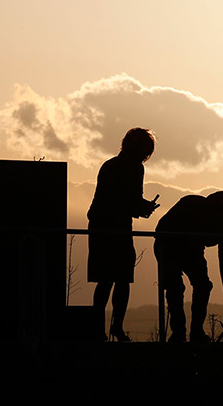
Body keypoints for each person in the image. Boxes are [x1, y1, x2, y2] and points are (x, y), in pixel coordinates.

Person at [87, 127, 159, 341]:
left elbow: (125, 200)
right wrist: (143, 208)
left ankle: (103, 329)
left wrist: (140, 207)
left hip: (107, 225)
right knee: (116, 279)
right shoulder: (130, 168)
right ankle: (111, 328)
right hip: (112, 226)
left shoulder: (114, 165)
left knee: (110, 280)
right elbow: (127, 201)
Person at [154, 191, 223, 342]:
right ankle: (178, 333)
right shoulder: (191, 204)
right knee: (175, 287)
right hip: (167, 245)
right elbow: (161, 229)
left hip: (193, 251)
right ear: (215, 209)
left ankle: (196, 332)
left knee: (203, 285)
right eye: (221, 218)